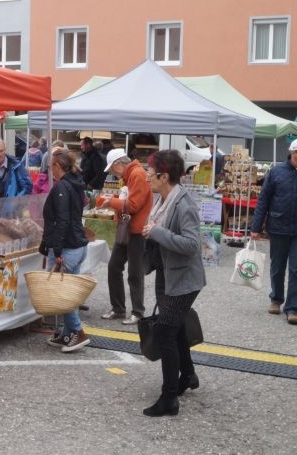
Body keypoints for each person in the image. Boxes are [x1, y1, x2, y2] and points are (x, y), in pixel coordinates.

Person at [141, 149, 206, 417]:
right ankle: (188, 375)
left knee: (166, 333)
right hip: (166, 273)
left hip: (184, 279)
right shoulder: (162, 198)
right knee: (175, 328)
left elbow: (192, 245)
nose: (147, 176)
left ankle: (169, 398)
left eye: (150, 171)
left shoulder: (184, 204)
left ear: (164, 175)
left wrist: (157, 232)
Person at [40, 150, 90, 352]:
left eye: (51, 165)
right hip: (78, 245)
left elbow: (62, 220)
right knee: (69, 293)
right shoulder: (76, 182)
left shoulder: (62, 186)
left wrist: (57, 249)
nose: (50, 169)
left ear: (58, 167)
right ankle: (67, 333)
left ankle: (77, 331)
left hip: (68, 247)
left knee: (62, 294)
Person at [99, 148, 152, 325]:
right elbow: (131, 201)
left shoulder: (136, 174)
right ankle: (119, 308)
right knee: (115, 267)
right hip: (129, 228)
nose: (112, 173)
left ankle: (137, 312)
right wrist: (113, 199)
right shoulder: (132, 174)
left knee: (134, 272)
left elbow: (134, 205)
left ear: (118, 164)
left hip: (135, 230)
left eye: (112, 169)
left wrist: (111, 201)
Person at [251, 139, 297, 325]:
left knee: (296, 269)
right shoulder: (276, 172)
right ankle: (276, 299)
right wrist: (255, 227)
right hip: (278, 226)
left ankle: (292, 307)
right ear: (291, 153)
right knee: (277, 267)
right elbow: (263, 200)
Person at [0, 139, 33, 217]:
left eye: (1, 151)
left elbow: (27, 187)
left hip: (13, 214)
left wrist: (15, 203)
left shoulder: (16, 165)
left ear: (5, 149)